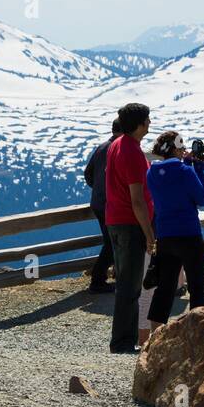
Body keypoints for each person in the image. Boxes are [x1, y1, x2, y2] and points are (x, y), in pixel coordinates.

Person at [145, 132, 204, 333]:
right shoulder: (186, 171)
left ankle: (155, 336)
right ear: (174, 149)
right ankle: (198, 335)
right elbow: (202, 199)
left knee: (165, 288)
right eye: (182, 149)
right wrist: (198, 170)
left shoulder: (151, 173)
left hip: (165, 235)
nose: (184, 152)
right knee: (197, 286)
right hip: (189, 234)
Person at [105, 102, 157, 353]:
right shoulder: (133, 153)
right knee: (130, 286)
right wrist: (149, 234)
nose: (149, 123)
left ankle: (126, 339)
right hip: (130, 224)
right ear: (139, 123)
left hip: (115, 220)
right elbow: (137, 199)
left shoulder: (118, 145)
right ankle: (123, 342)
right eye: (147, 119)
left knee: (127, 283)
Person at [82, 120, 119, 293]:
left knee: (110, 241)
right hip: (109, 204)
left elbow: (88, 173)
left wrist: (97, 188)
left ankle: (105, 277)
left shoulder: (102, 147)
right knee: (113, 243)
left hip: (98, 202)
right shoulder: (118, 149)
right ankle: (97, 280)